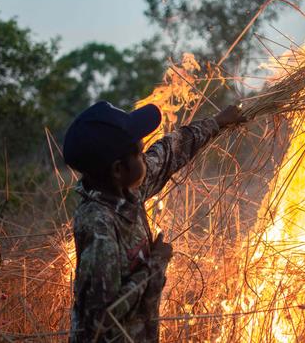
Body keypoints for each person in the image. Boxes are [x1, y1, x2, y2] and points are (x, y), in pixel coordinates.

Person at [63, 101, 246, 342]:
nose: (146, 158)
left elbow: (170, 152)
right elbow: (102, 319)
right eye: (139, 153)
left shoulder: (125, 190)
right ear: (118, 169)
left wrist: (217, 122)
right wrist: (154, 264)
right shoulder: (98, 225)